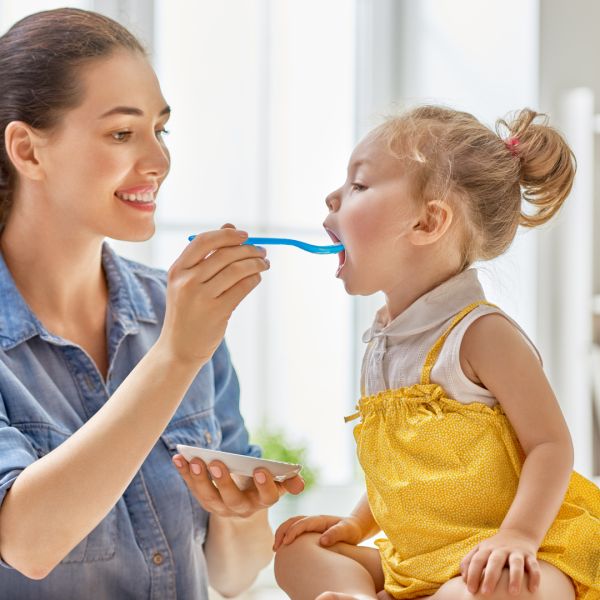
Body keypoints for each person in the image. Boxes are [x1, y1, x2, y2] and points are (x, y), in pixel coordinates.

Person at [0, 7, 303, 599]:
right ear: (27, 150)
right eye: (122, 133)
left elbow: (232, 575)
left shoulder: (175, 311)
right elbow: (26, 542)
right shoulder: (180, 338)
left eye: (160, 130)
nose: (159, 161)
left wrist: (240, 513)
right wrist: (175, 358)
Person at [273, 105, 600, 600]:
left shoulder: (482, 334)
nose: (333, 196)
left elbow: (552, 447)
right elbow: (407, 468)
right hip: (420, 561)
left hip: (512, 553)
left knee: (501, 590)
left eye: (359, 186)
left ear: (428, 222)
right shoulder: (385, 342)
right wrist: (356, 525)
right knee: (297, 553)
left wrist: (518, 537)